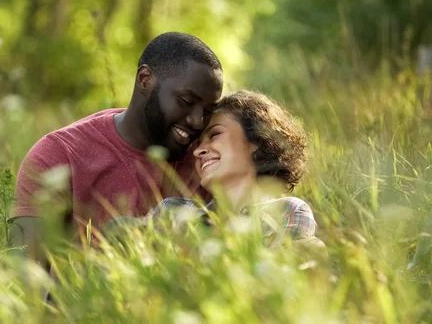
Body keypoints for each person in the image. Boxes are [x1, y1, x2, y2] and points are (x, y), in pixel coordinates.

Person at [9, 32, 225, 269]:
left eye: (208, 111)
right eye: (186, 101)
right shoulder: (58, 155)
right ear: (145, 79)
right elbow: (26, 279)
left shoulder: (207, 158)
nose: (197, 121)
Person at [104, 90, 324, 250]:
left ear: (257, 140)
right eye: (198, 143)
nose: (198, 151)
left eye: (215, 135)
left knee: (312, 250)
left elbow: (280, 277)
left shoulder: (286, 211)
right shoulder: (174, 211)